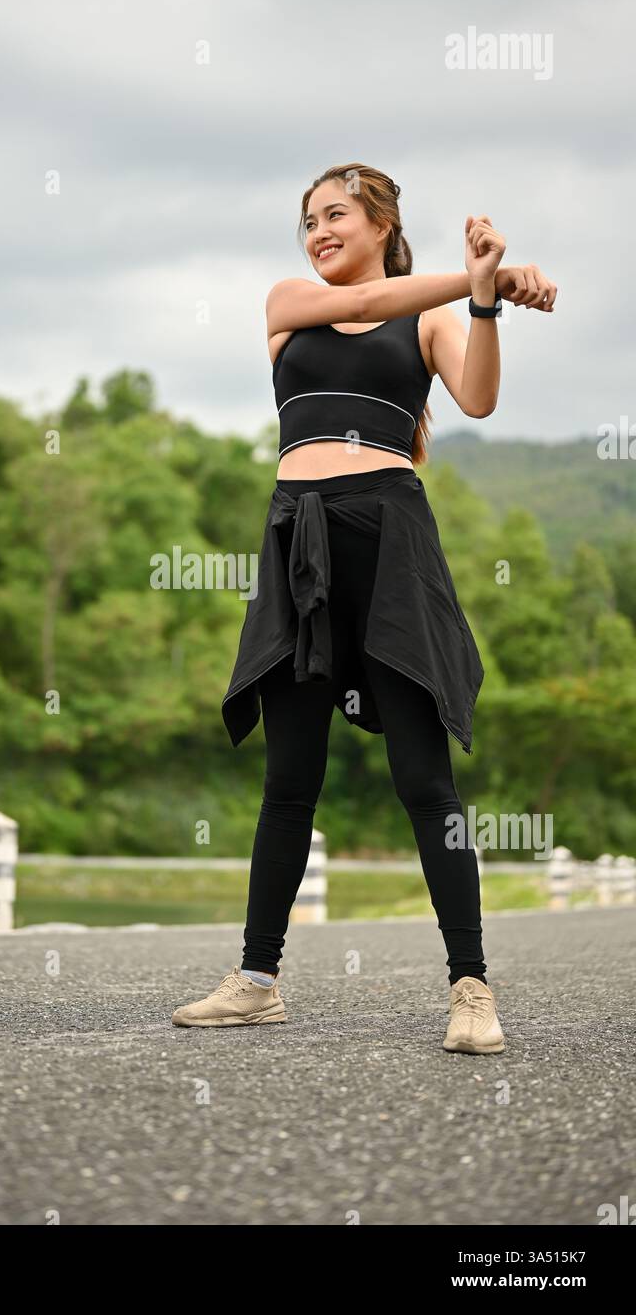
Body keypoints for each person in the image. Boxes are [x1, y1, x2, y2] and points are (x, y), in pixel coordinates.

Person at [172, 163, 556, 1053]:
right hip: (296, 539)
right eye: (308, 220)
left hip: (390, 539)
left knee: (426, 781)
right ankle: (256, 981)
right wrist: (485, 275)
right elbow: (403, 290)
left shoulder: (428, 317)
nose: (317, 231)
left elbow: (482, 399)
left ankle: (471, 991)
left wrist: (486, 303)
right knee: (288, 783)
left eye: (335, 214)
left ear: (382, 221)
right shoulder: (288, 302)